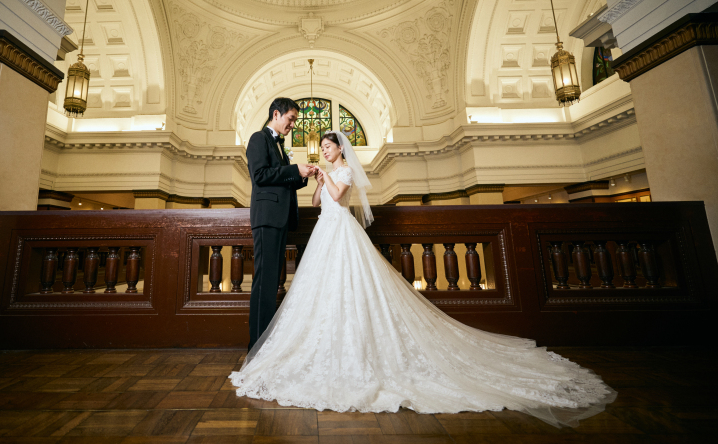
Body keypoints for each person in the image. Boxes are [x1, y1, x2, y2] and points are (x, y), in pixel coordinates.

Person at [231, 130, 616, 427]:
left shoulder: (344, 171)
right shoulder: (329, 172)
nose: (326, 151)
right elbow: (319, 202)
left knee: (354, 287)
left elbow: (339, 196)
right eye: (325, 148)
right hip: (324, 235)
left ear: (341, 150)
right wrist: (316, 181)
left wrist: (326, 177)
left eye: (329, 147)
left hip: (342, 233)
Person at [245, 97, 316, 351]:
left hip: (280, 218)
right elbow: (260, 176)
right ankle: (256, 347)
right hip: (266, 218)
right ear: (276, 114)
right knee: (264, 282)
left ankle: (266, 342)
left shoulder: (279, 145)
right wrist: (293, 169)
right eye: (291, 119)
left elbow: (284, 180)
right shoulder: (258, 139)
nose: (293, 124)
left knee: (273, 280)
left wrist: (304, 174)